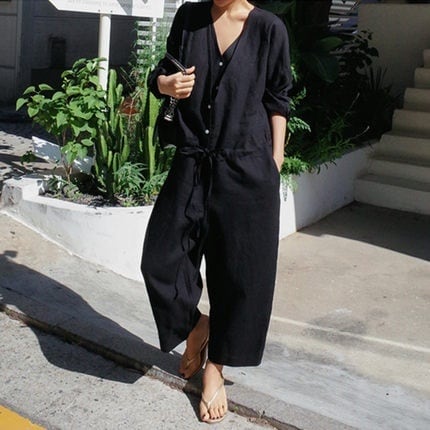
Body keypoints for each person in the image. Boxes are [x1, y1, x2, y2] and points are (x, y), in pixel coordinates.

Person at [141, 0, 291, 423]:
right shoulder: (189, 18)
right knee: (159, 259)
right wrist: (165, 85)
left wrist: (274, 162)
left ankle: (215, 370)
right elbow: (162, 72)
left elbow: (277, 99)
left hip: (247, 168)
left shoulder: (269, 29)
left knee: (238, 276)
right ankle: (195, 326)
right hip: (192, 160)